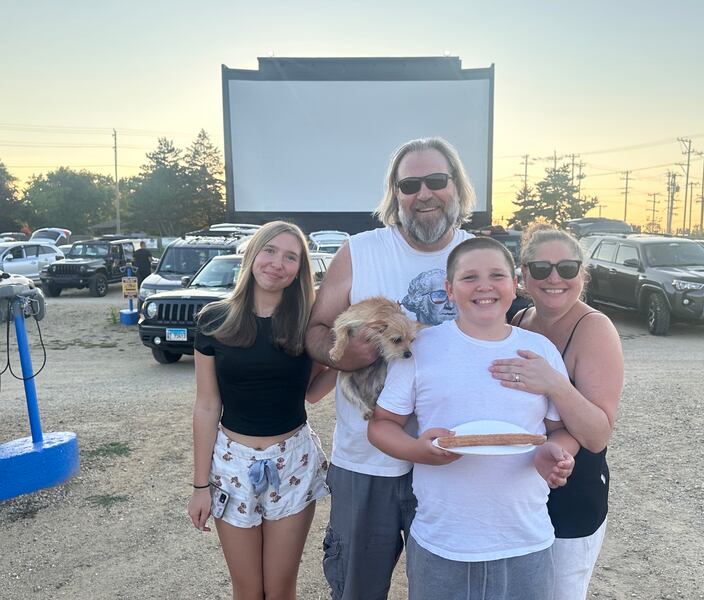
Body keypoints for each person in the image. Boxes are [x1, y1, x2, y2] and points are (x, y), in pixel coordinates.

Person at [305, 137, 475, 599]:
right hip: (365, 462)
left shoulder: (478, 255)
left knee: (448, 590)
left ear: (456, 187)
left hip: (453, 461)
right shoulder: (359, 250)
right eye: (409, 184)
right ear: (394, 193)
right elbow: (317, 329)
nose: (423, 194)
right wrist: (345, 355)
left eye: (436, 181)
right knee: (358, 587)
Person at [368, 237, 575, 600]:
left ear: (514, 286)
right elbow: (381, 425)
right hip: (443, 541)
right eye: (469, 278)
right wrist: (418, 450)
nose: (484, 286)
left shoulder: (539, 350)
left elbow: (560, 431)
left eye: (497, 275)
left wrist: (555, 452)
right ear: (449, 289)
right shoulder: (421, 349)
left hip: (525, 539)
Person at [188, 221, 337, 600]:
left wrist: (347, 361)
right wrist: (200, 486)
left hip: (293, 463)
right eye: (270, 251)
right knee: (249, 590)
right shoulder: (214, 319)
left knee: (281, 588)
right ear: (252, 254)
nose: (277, 263)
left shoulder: (307, 325)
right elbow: (207, 405)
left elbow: (312, 394)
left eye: (291, 257)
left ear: (300, 269)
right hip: (231, 464)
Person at [489, 225, 624, 600]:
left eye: (567, 269)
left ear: (582, 274)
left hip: (571, 495)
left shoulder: (594, 329)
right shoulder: (518, 321)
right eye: (541, 268)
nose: (554, 278)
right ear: (523, 276)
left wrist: (556, 384)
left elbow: (598, 434)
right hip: (518, 492)